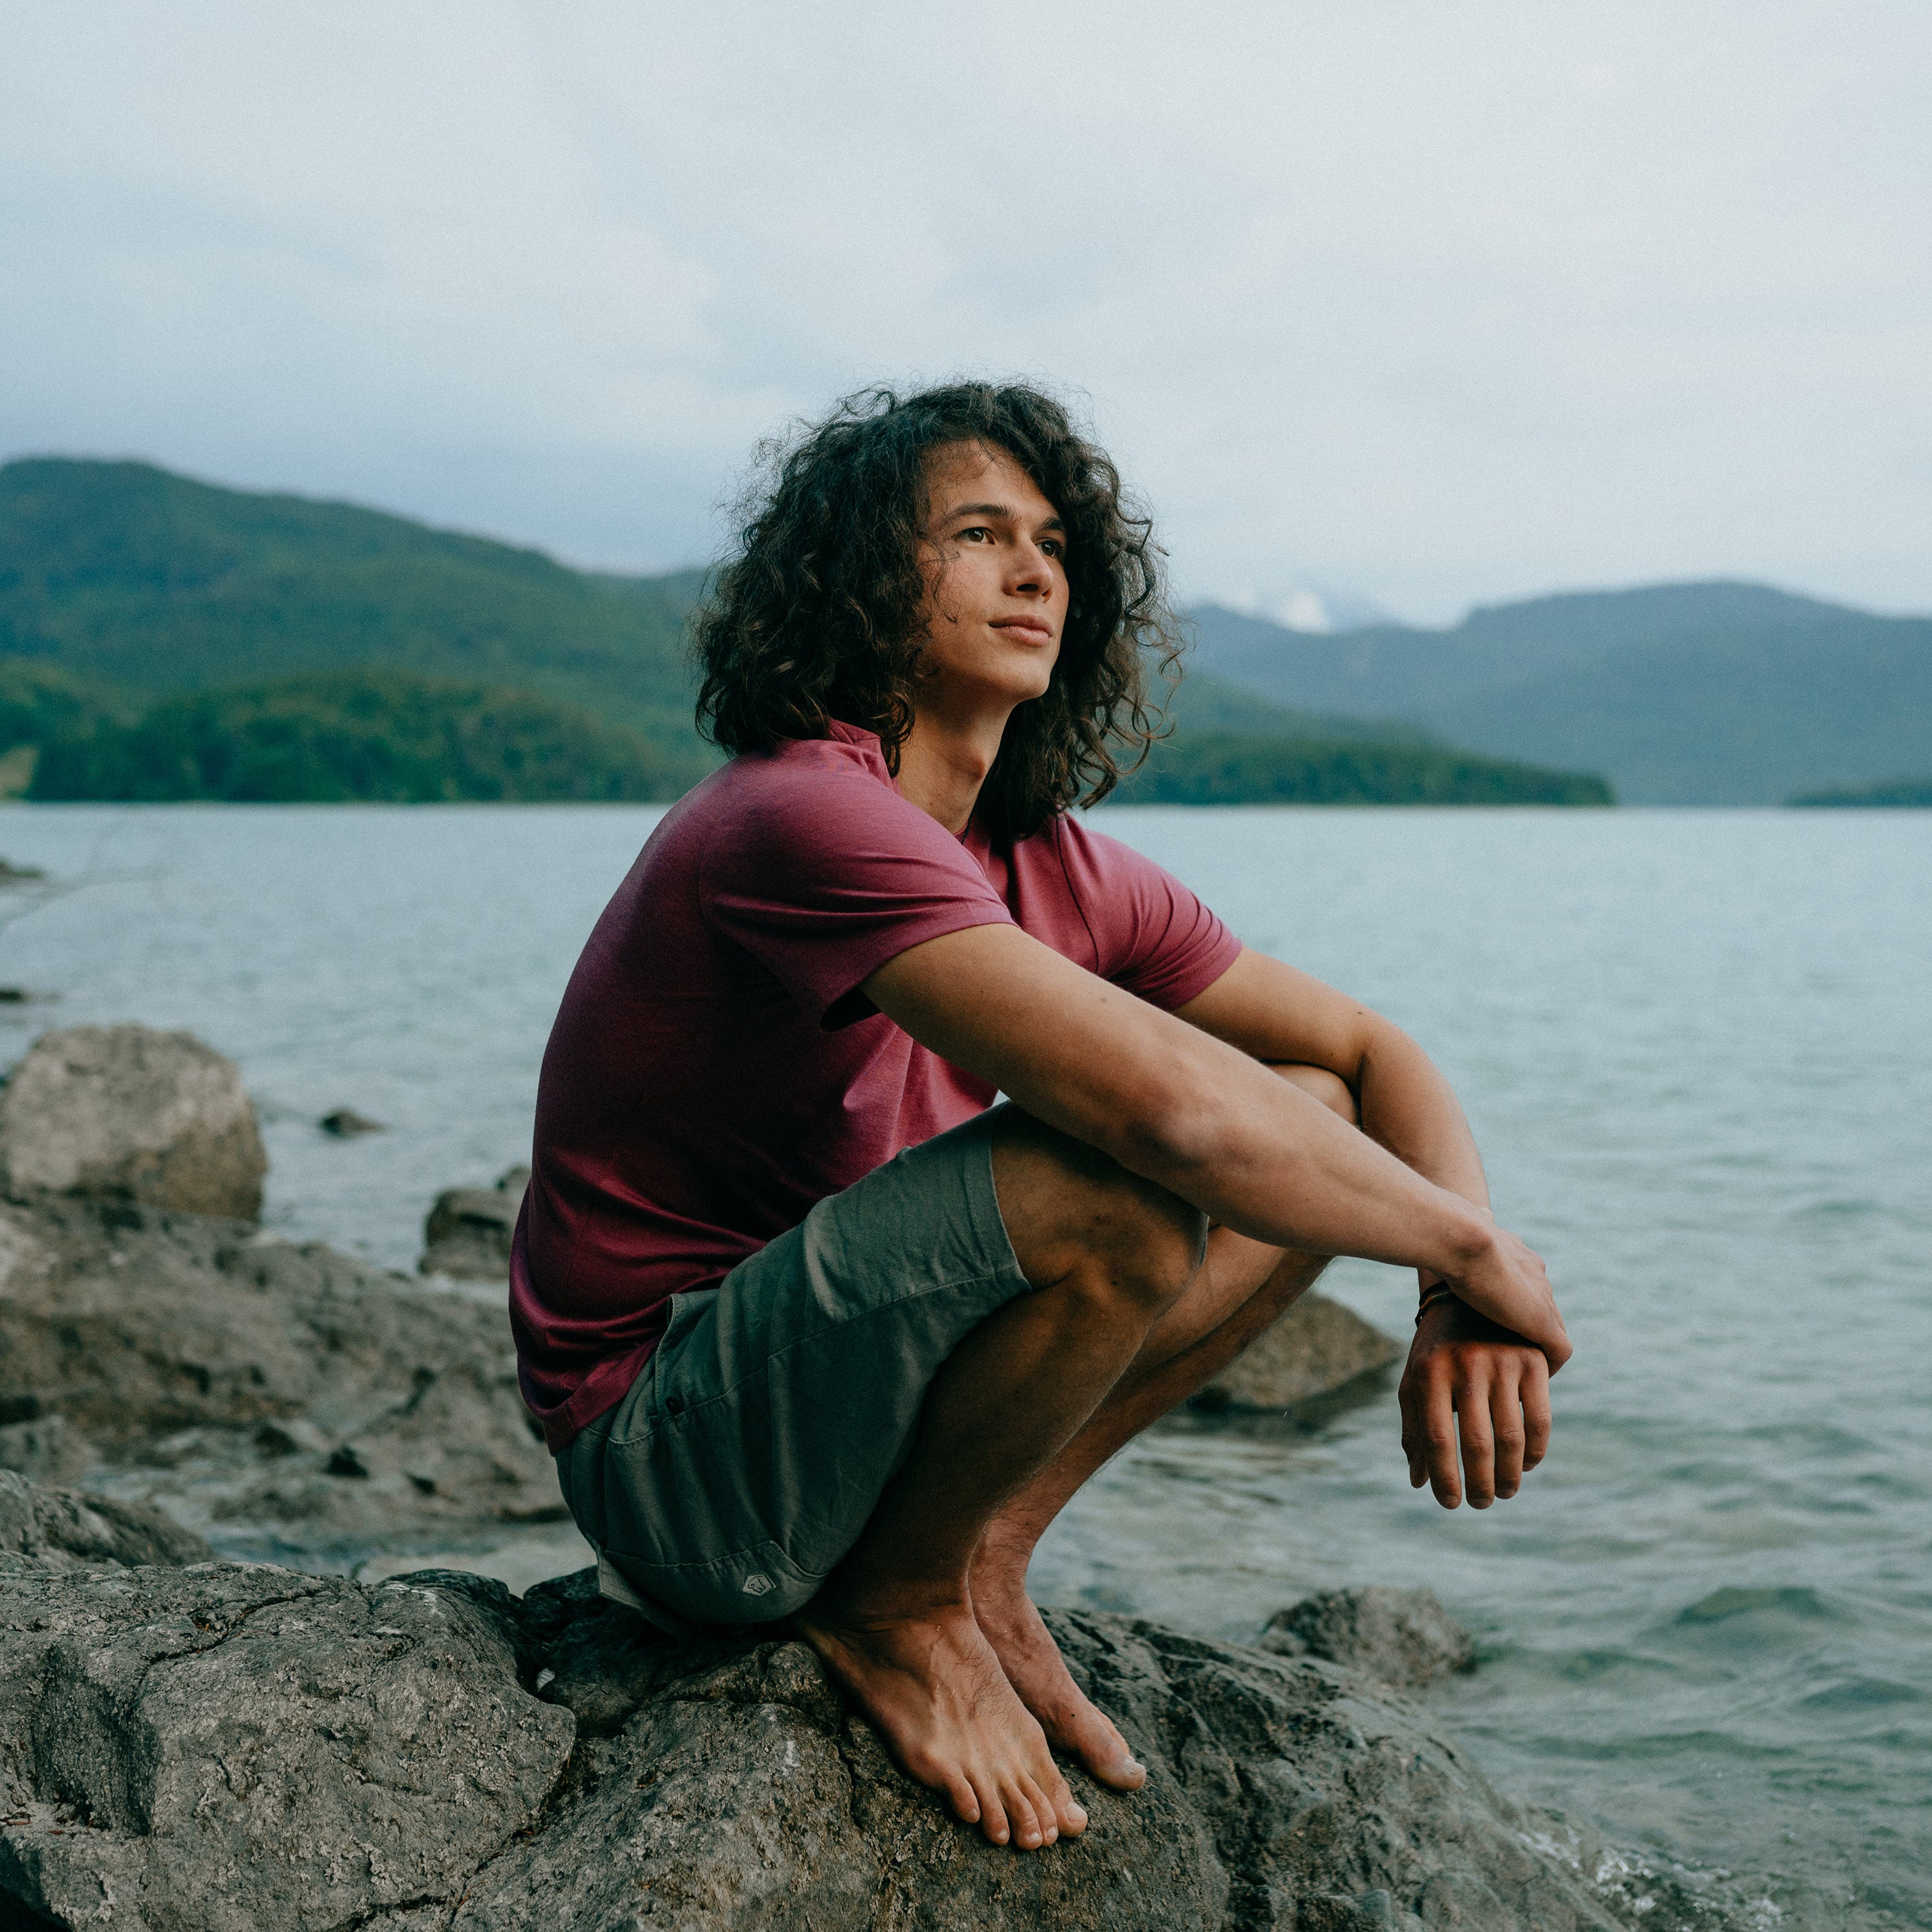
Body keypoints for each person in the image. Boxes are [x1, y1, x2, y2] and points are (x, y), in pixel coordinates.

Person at [510, 382, 1571, 1856]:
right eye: (975, 533)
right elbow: (1168, 1117)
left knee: (1311, 1108)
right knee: (1122, 1186)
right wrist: (1467, 1242)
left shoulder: (1055, 864)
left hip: (829, 1408)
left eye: (1055, 542)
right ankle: (892, 1603)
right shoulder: (798, 816)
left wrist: (1458, 1274)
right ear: (867, 579)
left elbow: (1367, 1054)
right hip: (674, 1462)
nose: (1032, 571)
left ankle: (975, 1548)